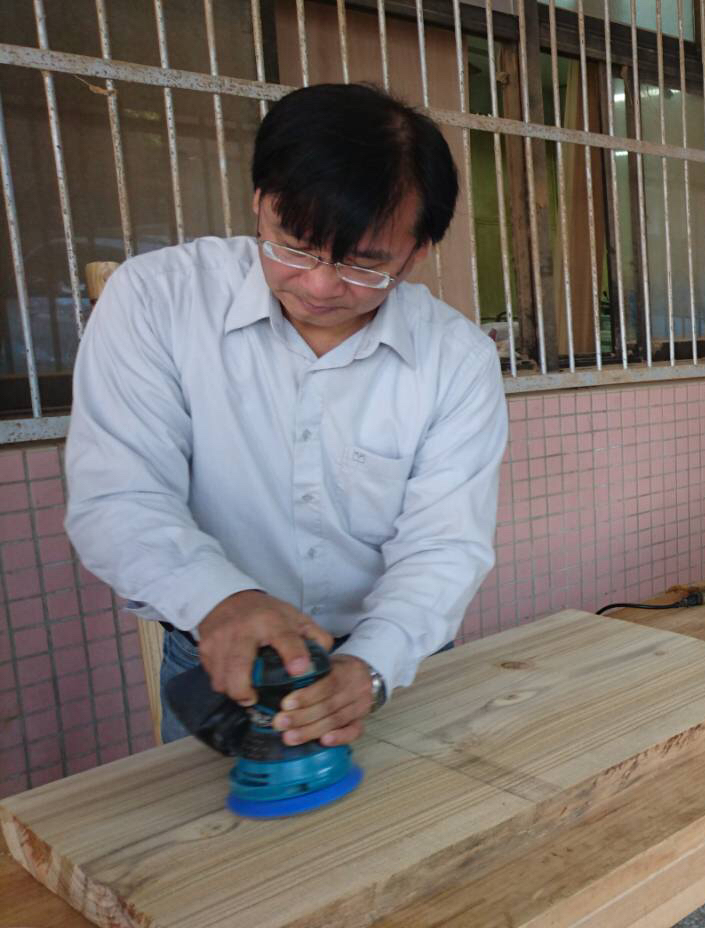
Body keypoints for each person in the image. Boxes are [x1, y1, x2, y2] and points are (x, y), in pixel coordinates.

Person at [66, 84, 507, 747]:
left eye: (365, 263)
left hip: (383, 661)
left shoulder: (456, 358)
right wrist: (223, 601)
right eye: (294, 246)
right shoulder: (158, 300)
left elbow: (444, 544)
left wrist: (371, 668)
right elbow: (120, 494)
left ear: (417, 251)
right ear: (260, 202)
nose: (321, 285)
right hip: (222, 661)